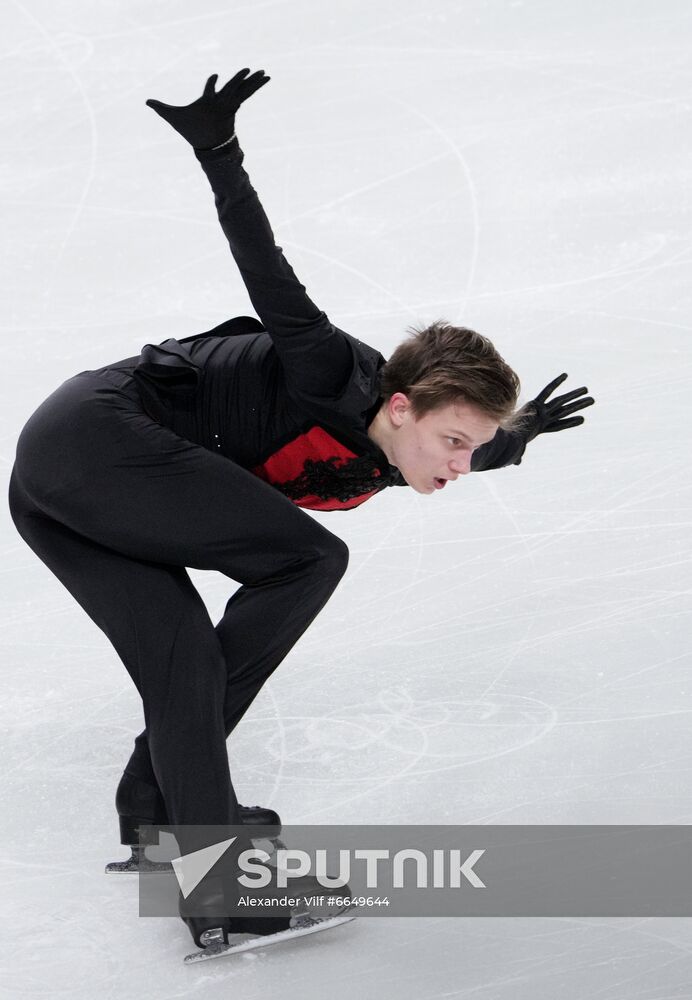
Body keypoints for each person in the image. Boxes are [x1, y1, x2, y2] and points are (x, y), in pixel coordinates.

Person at [7, 68, 593, 950]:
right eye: (457, 441)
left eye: (474, 449)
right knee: (311, 557)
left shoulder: (401, 449)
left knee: (185, 665)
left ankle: (161, 816)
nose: (461, 465)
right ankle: (224, 882)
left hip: (54, 490)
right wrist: (220, 151)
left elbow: (449, 452)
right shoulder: (331, 370)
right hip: (98, 439)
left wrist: (515, 435)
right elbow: (263, 260)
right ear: (400, 407)